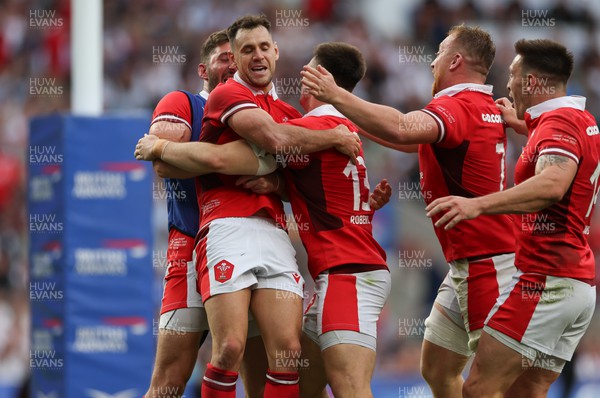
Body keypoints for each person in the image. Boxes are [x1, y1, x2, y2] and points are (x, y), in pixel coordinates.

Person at [301, 25, 519, 398]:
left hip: (489, 267)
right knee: (436, 369)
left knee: (488, 388)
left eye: (439, 52)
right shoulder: (479, 106)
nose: (432, 61)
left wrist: (335, 96)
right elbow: (404, 139)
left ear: (455, 60)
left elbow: (402, 129)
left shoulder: (458, 105)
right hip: (470, 265)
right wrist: (344, 125)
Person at [192, 15, 361, 398]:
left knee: (288, 352)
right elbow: (273, 137)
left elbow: (307, 181)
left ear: (277, 52)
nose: (258, 55)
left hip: (274, 232)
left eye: (264, 47)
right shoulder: (228, 95)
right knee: (230, 347)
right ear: (233, 59)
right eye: (247, 49)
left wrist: (277, 182)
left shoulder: (288, 112)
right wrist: (333, 136)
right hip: (227, 225)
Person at [426, 38, 598, 397]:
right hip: (578, 285)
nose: (507, 85)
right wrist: (525, 127)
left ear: (532, 83)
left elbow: (552, 184)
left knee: (479, 389)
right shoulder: (580, 120)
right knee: (526, 392)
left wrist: (478, 205)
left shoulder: (558, 124)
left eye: (514, 76)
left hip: (544, 281)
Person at [241, 41, 392, 398]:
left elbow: (272, 140)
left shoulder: (319, 127)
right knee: (299, 389)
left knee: (350, 388)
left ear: (320, 78)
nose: (300, 75)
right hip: (341, 274)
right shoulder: (341, 127)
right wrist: (277, 183)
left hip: (349, 275)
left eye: (308, 68)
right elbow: (320, 191)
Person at [136, 30, 273, 398]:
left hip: (253, 245)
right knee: (168, 381)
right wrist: (239, 162)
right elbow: (162, 164)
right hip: (193, 243)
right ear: (203, 69)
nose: (232, 64)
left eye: (237, 57)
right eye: (223, 58)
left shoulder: (264, 112)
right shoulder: (182, 102)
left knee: (260, 379)